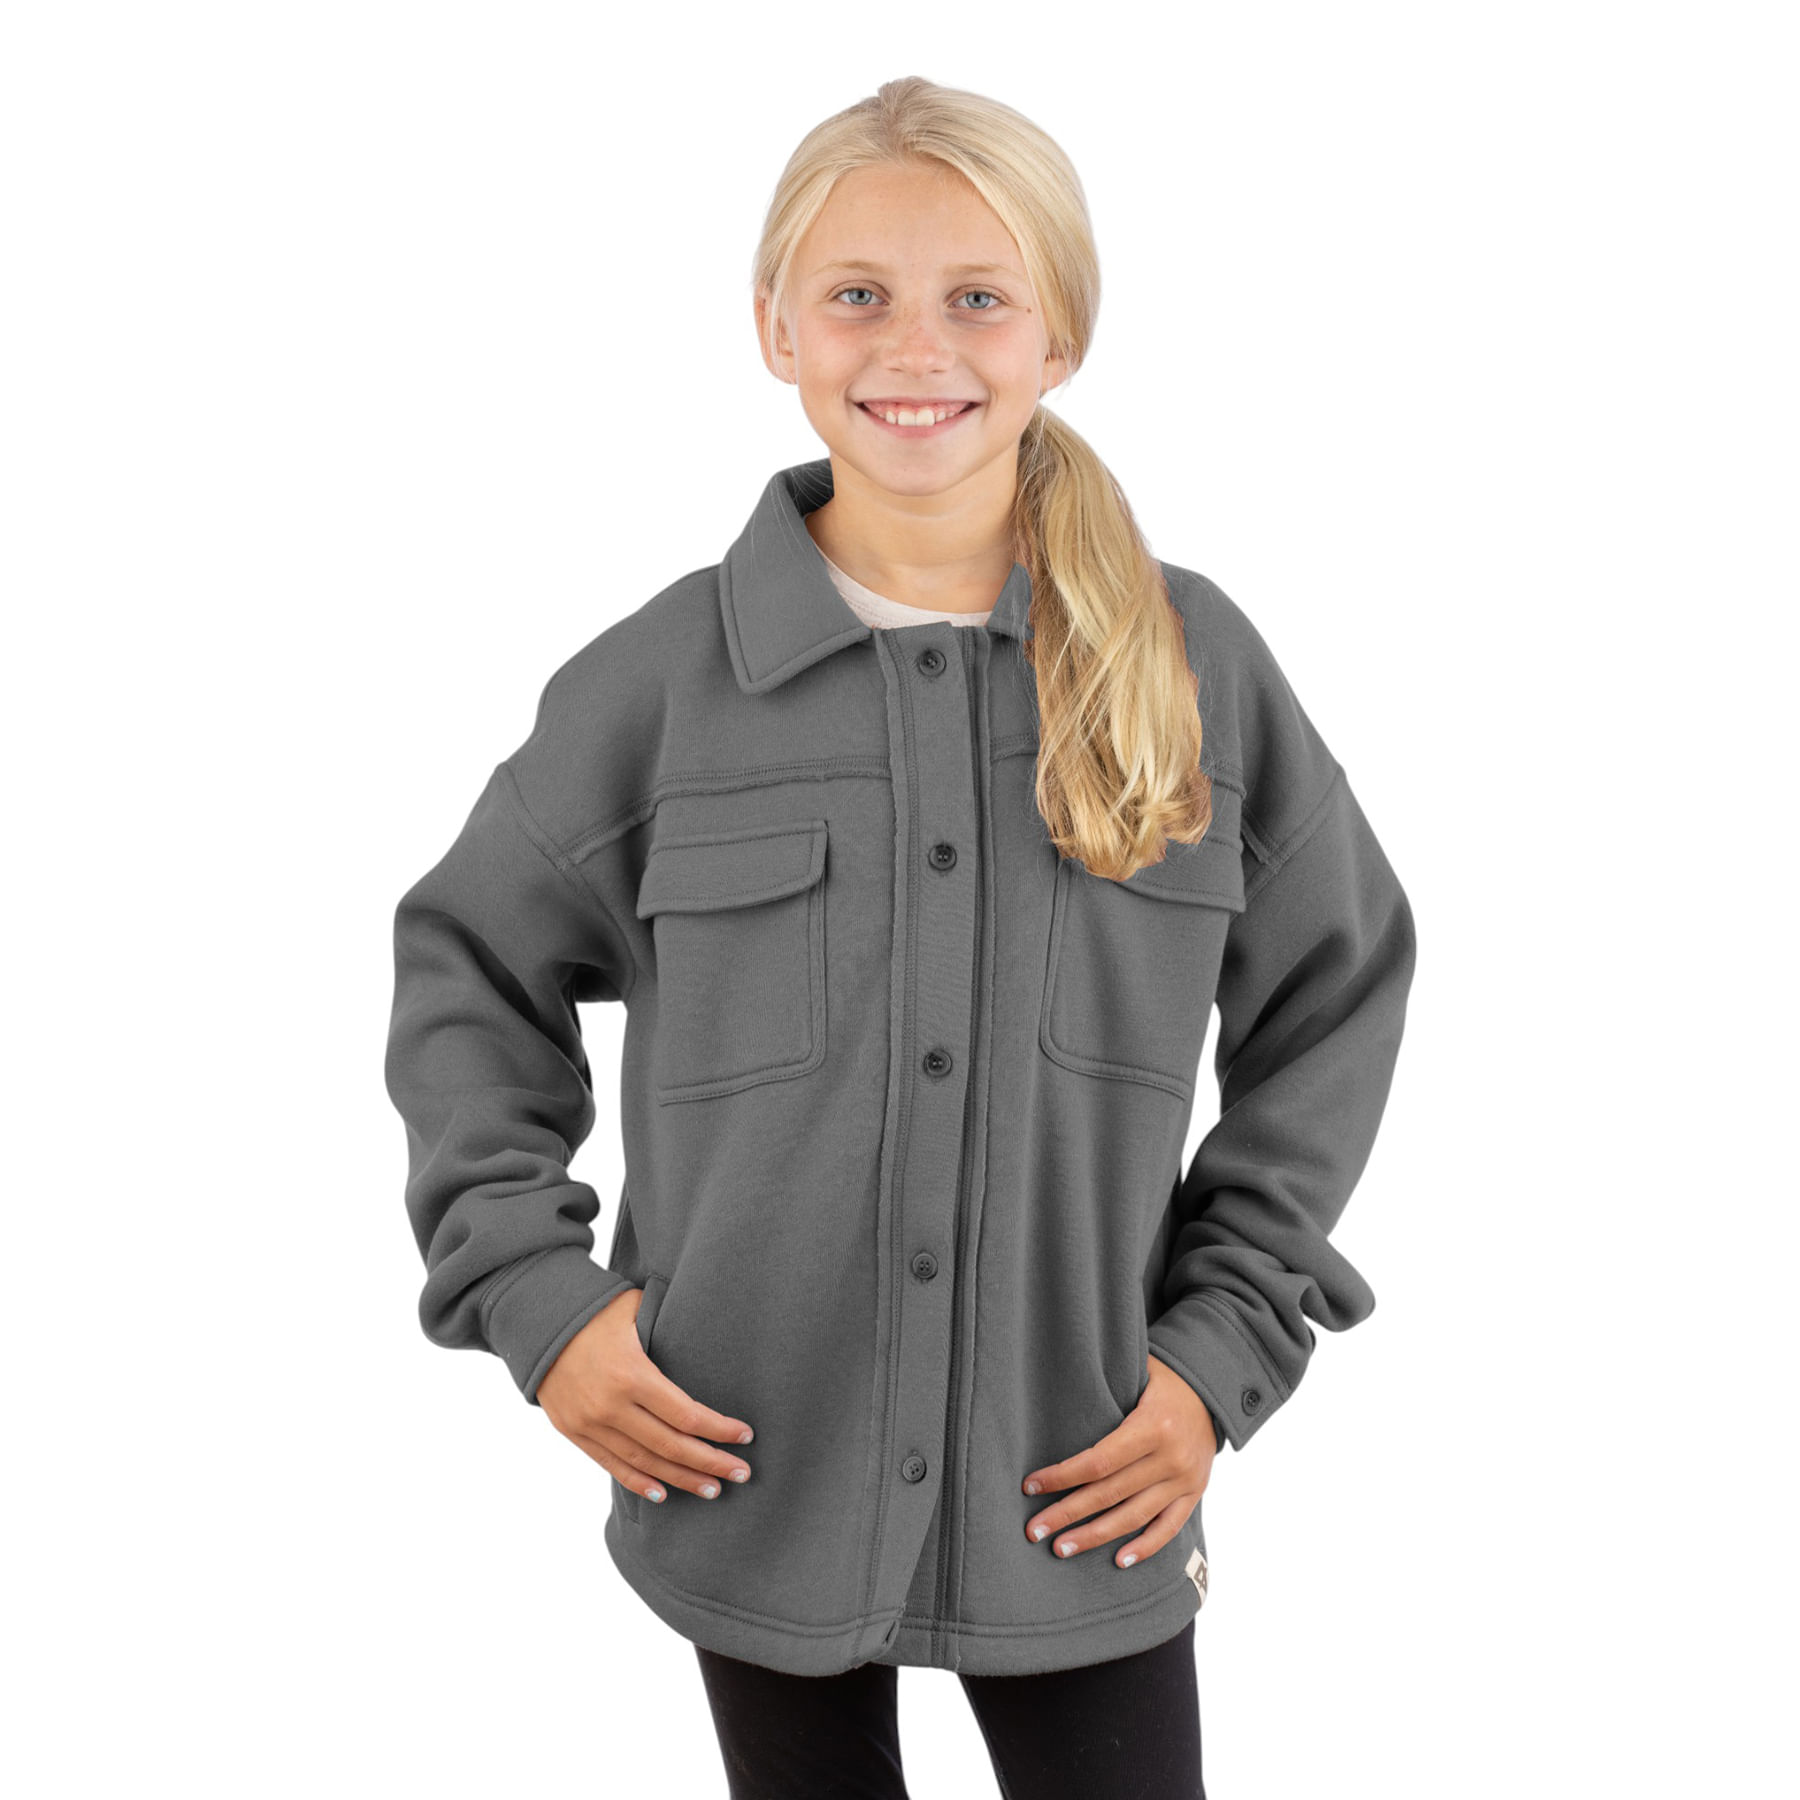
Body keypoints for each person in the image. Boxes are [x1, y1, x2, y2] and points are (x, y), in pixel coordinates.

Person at [384, 75, 1417, 1800]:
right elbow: (468, 972)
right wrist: (540, 1300)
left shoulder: (1193, 668)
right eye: (858, 292)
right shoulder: (658, 687)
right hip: (745, 1462)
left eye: (979, 297)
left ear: (1062, 334)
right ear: (776, 327)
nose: (916, 346)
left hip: (1081, 1469)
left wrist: (1222, 1348)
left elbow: (1338, 993)